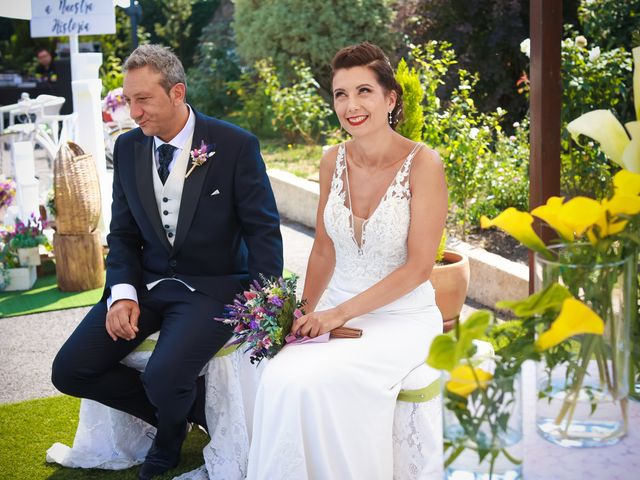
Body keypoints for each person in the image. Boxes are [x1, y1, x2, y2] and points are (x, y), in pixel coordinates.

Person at [51, 44, 283, 480]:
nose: (133, 112)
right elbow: (121, 234)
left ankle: (169, 437)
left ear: (177, 93)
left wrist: (261, 306)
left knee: (163, 374)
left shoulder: (234, 146)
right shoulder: (127, 148)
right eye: (127, 99)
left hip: (213, 289)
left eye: (144, 100)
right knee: (69, 370)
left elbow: (263, 231)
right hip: (146, 284)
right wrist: (121, 293)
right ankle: (179, 409)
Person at [246, 42, 447, 479]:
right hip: (335, 305)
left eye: (363, 92)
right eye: (340, 94)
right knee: (280, 377)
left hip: (401, 318)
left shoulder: (424, 164)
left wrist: (338, 313)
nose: (351, 105)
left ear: (390, 98)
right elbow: (323, 247)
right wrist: (301, 312)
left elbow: (419, 268)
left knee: (311, 384)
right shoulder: (330, 160)